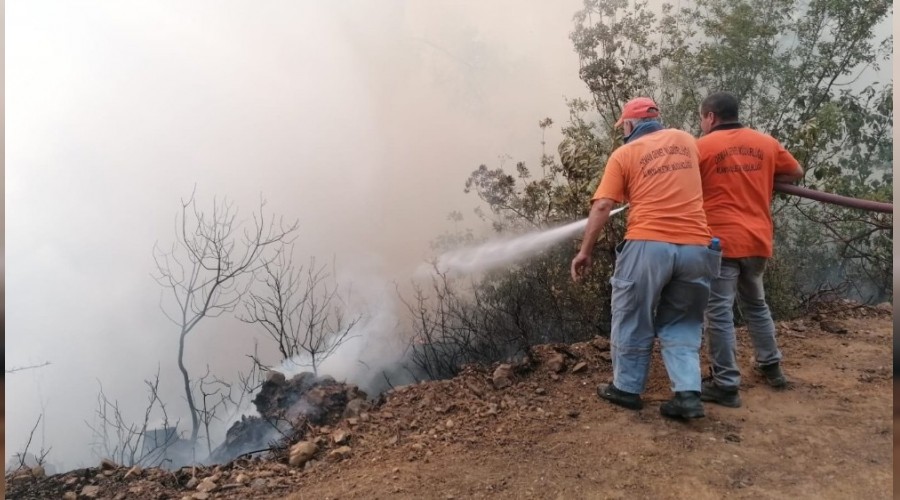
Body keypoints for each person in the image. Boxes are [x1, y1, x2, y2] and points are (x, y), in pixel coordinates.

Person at [571, 97, 721, 419]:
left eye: (622, 126)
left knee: (632, 314)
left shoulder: (624, 154)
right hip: (697, 247)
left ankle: (626, 389)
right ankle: (687, 394)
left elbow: (602, 206)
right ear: (657, 119)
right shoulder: (686, 141)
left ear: (628, 125)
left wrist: (585, 252)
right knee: (683, 321)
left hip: (648, 245)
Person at [696, 91, 804, 408]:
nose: (702, 124)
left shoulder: (701, 147)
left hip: (721, 243)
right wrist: (764, 176)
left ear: (711, 117)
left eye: (702, 118)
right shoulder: (765, 143)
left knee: (718, 313)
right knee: (756, 305)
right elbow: (795, 172)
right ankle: (771, 366)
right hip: (758, 240)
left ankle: (726, 383)